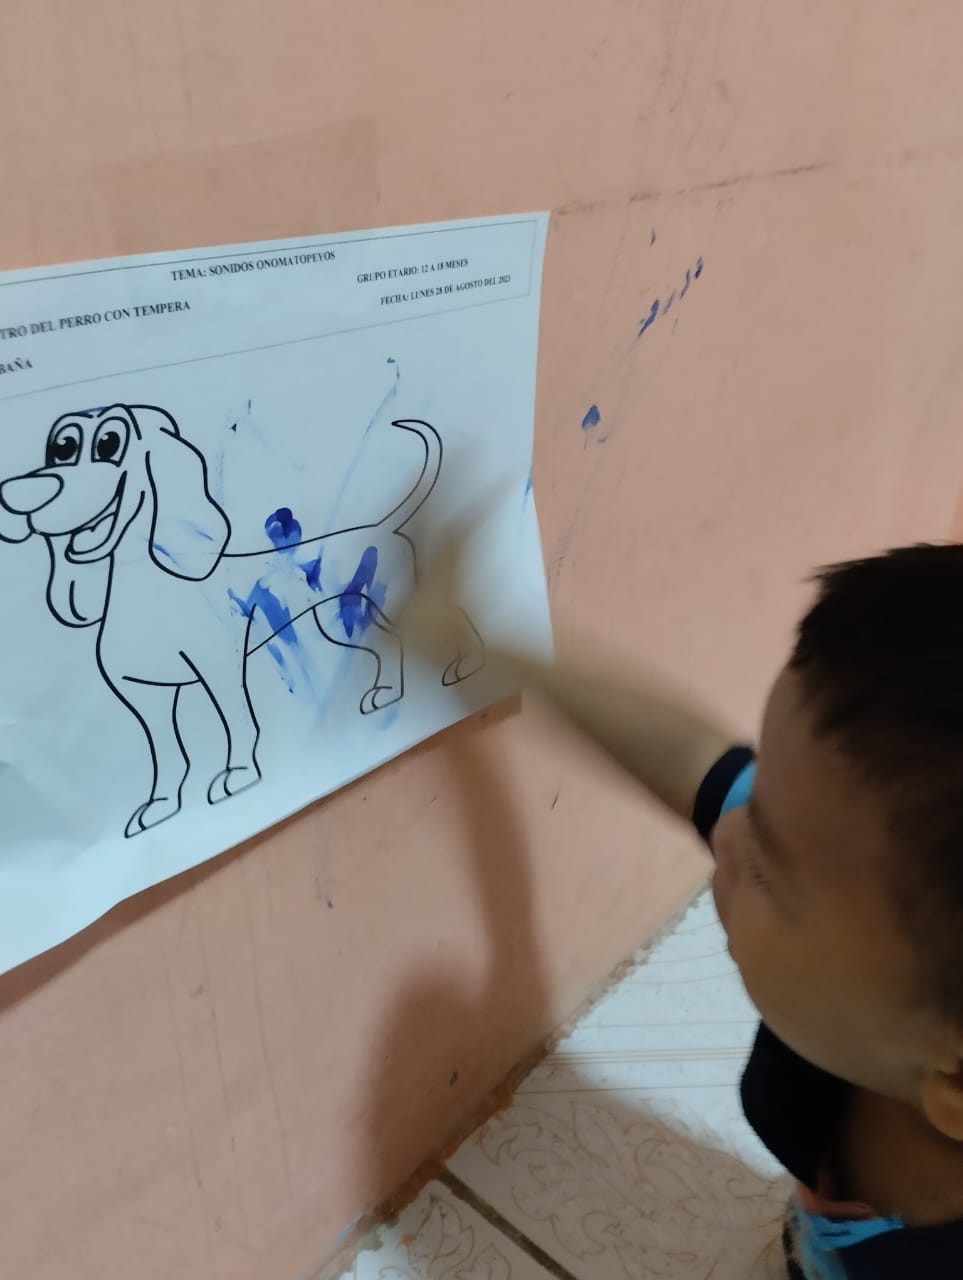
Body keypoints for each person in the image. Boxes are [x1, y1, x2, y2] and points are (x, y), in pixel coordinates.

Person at [399, 533, 963, 1278]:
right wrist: (476, 641)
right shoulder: (882, 974)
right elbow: (691, 757)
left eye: (767, 871)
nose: (726, 831)